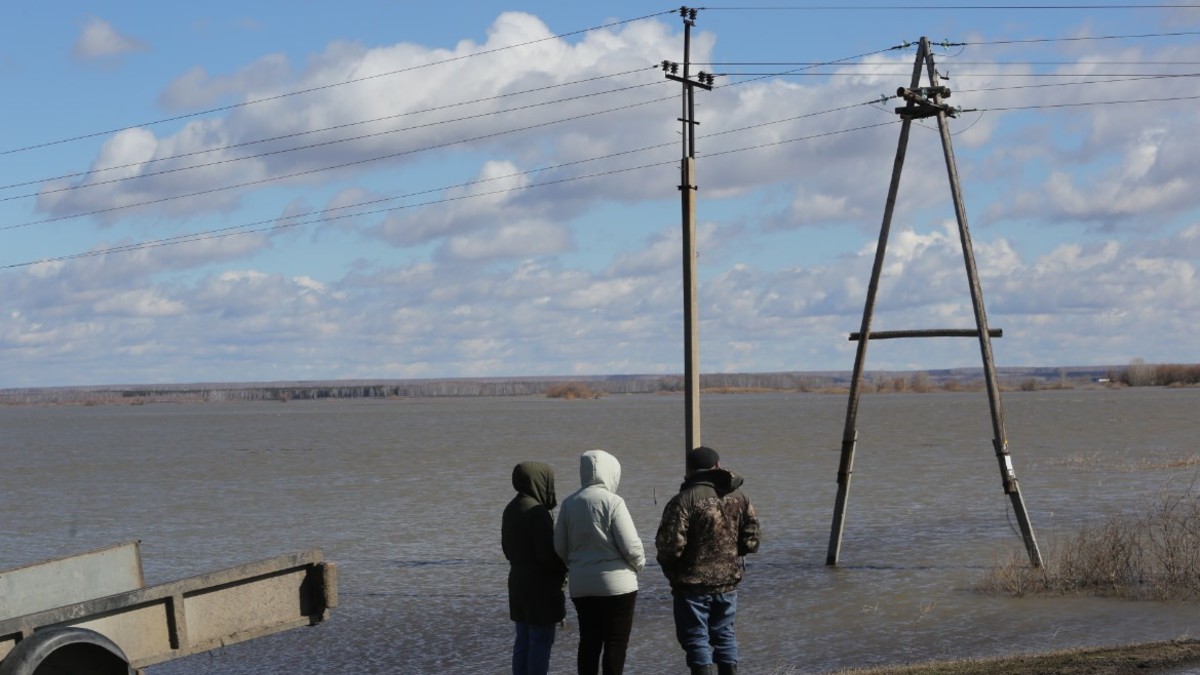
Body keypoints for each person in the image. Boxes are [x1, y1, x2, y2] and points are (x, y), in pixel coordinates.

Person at [655, 446, 761, 675]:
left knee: (696, 637)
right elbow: (752, 541)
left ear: (690, 470)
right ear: (718, 466)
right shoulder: (740, 498)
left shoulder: (683, 500)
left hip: (692, 585)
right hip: (727, 581)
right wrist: (734, 552)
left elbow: (669, 547)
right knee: (724, 633)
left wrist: (672, 571)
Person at [554, 449, 645, 675]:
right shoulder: (614, 502)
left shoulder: (568, 504)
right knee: (615, 643)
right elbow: (631, 546)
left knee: (589, 642)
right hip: (618, 585)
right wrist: (639, 565)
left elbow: (559, 547)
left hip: (582, 585)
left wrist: (575, 566)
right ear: (611, 472)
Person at [502, 461, 568, 675]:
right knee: (540, 641)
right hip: (539, 588)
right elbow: (548, 557)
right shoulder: (537, 512)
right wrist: (564, 568)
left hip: (517, 584)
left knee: (522, 641)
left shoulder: (511, 508)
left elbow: (507, 550)